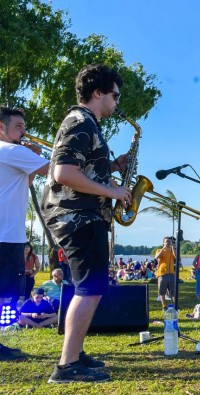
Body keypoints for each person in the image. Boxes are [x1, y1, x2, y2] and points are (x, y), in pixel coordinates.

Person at [39, 64, 131, 382]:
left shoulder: (87, 123)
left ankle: (74, 353)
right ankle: (66, 366)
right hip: (77, 216)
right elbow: (63, 173)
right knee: (89, 289)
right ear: (97, 93)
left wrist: (115, 166)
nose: (117, 102)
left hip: (82, 215)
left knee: (88, 287)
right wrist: (113, 190)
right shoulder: (79, 122)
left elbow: (82, 169)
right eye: (114, 95)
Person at [0, 106, 49, 362]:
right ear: (1, 128)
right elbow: (54, 171)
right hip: (5, 235)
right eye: (18, 126)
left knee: (6, 290)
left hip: (9, 234)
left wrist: (33, 160)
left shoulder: (9, 153)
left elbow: (24, 182)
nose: (24, 131)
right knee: (5, 290)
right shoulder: (11, 150)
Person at [155, 237, 177, 309]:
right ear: (163, 243)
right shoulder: (159, 250)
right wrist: (163, 248)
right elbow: (156, 257)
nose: (168, 243)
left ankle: (175, 305)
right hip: (162, 273)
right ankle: (164, 306)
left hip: (171, 273)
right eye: (166, 242)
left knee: (173, 291)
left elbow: (176, 257)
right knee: (162, 291)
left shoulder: (172, 250)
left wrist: (173, 248)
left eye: (169, 242)